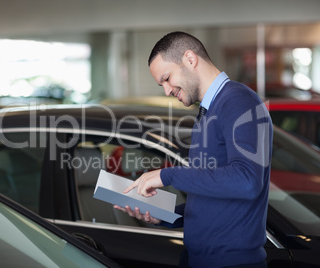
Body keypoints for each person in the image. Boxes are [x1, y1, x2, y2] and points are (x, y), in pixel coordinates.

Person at [114, 31, 273, 268]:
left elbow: (247, 181)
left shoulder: (239, 102)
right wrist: (165, 215)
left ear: (190, 59)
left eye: (167, 78)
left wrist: (166, 175)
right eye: (162, 84)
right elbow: (213, 196)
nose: (166, 90)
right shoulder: (209, 110)